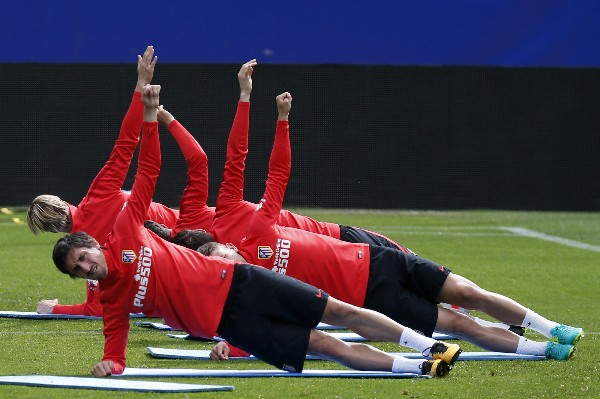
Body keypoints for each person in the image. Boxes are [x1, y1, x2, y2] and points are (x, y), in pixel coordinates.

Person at [51, 84, 460, 378]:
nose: (86, 268)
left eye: (84, 259)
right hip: (249, 293)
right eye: (79, 270)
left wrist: (160, 117)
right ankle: (423, 364)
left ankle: (430, 343)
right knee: (322, 342)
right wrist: (114, 362)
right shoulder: (125, 279)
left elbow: (200, 164)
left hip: (282, 260)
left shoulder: (180, 218)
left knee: (342, 309)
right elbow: (115, 339)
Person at [199, 91, 583, 362]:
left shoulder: (257, 231)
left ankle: (552, 328)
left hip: (378, 259)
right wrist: (231, 347)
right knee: (459, 324)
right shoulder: (257, 286)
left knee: (467, 291)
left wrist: (282, 121)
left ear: (224, 245)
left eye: (221, 252)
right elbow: (264, 325)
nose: (227, 257)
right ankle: (544, 350)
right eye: (221, 264)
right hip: (373, 298)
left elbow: (276, 178)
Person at [30, 46, 179, 317]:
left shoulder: (83, 252)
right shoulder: (96, 199)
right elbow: (125, 145)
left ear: (55, 232)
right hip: (187, 226)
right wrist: (140, 85)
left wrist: (55, 308)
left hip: (173, 264)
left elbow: (96, 307)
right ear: (64, 203)